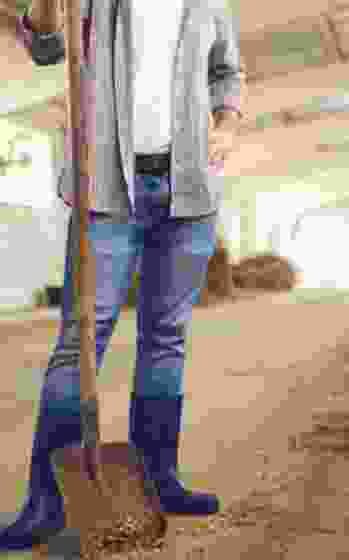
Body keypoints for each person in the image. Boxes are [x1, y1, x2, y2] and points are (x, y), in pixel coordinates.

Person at [1, 0, 243, 550]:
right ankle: (47, 502)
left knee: (166, 338)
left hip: (190, 187)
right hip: (108, 185)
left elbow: (227, 70)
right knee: (80, 341)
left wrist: (227, 124)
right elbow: (44, 46)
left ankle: (159, 479)